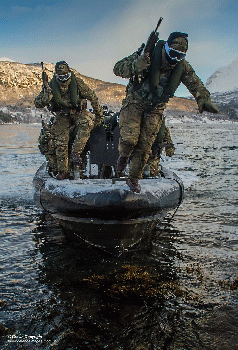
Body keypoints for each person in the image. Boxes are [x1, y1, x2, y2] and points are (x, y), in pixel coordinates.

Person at [113, 31, 219, 193]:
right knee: (129, 139)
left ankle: (133, 179)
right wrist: (136, 65)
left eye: (180, 56)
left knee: (145, 146)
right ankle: (123, 157)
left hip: (156, 108)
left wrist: (203, 99)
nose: (175, 60)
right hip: (134, 103)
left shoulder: (182, 67)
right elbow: (118, 68)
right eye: (173, 54)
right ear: (167, 48)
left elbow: (195, 83)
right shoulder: (147, 55)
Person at [35, 61, 103, 180]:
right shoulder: (50, 85)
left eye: (65, 77)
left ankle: (75, 152)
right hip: (62, 115)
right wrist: (47, 93)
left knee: (87, 122)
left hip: (78, 112)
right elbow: (38, 103)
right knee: (60, 141)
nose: (63, 80)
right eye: (60, 77)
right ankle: (63, 171)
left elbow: (93, 97)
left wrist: (99, 115)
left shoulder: (77, 83)